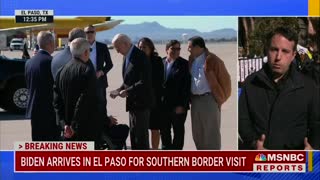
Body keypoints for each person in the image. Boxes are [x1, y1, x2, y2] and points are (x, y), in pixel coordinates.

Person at [239, 27, 320, 150]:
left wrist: (313, 149)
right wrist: (254, 143)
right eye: (274, 50)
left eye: (285, 51)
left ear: (293, 55)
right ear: (267, 51)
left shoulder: (308, 86)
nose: (278, 57)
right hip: (260, 159)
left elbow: (317, 123)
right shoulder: (251, 83)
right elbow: (243, 121)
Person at [53, 38, 105, 145]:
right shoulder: (87, 71)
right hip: (85, 129)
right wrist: (73, 125)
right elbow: (84, 101)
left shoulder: (61, 71)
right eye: (89, 51)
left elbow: (56, 101)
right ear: (86, 52)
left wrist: (64, 125)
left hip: (68, 130)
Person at [110, 34, 153, 150]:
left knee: (141, 138)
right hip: (133, 104)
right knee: (134, 136)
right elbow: (128, 79)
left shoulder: (140, 57)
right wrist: (119, 89)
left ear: (125, 44)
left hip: (141, 103)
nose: (117, 51)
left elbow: (145, 82)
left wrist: (127, 91)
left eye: (117, 48)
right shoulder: (127, 56)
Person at [188, 36, 231, 150]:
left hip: (209, 100)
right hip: (195, 101)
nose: (188, 50)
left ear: (198, 47)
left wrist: (220, 98)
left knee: (211, 132)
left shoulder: (212, 60)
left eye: (190, 47)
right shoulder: (191, 60)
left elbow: (225, 80)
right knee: (198, 132)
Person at [25, 31, 60, 141]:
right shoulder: (51, 62)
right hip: (49, 113)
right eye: (54, 42)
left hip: (34, 111)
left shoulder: (29, 62)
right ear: (50, 43)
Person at [160, 40, 191, 150]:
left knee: (178, 133)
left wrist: (182, 105)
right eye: (173, 48)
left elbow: (187, 87)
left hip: (178, 106)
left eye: (178, 49)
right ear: (167, 50)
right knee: (164, 132)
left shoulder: (184, 64)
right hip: (163, 106)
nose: (176, 51)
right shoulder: (161, 62)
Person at [138, 37, 164, 150]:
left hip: (154, 100)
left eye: (144, 47)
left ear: (150, 48)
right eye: (140, 47)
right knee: (141, 129)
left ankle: (154, 151)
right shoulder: (136, 61)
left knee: (154, 128)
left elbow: (159, 81)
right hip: (139, 100)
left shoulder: (157, 61)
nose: (142, 49)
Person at [84, 25, 113, 117]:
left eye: (91, 32)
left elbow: (109, 64)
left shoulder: (102, 47)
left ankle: (103, 128)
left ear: (95, 33)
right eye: (87, 32)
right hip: (85, 81)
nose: (89, 34)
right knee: (86, 106)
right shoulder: (81, 47)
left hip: (100, 82)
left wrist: (101, 72)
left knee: (101, 106)